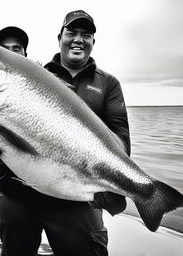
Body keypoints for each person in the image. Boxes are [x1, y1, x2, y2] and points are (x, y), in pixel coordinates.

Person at [43, 10, 131, 255]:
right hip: (33, 189)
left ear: (94, 42)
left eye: (86, 35)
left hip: (82, 197)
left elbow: (121, 138)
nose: (78, 39)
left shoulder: (109, 84)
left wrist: (111, 180)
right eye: (72, 32)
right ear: (59, 37)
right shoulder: (39, 75)